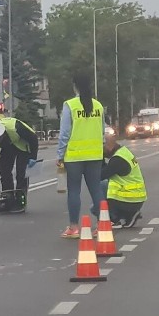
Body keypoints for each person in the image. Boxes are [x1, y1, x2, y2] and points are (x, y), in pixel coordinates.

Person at [58, 73, 105, 238]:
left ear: (75, 86)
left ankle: (74, 227)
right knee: (96, 190)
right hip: (95, 155)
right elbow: (103, 131)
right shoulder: (98, 106)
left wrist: (60, 154)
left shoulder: (70, 105)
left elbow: (64, 133)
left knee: (74, 191)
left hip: (74, 157)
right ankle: (102, 225)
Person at [0, 118, 40, 213]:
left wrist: (33, 157)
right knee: (4, 171)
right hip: (8, 146)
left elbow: (33, 139)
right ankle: (8, 199)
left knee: (21, 173)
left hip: (23, 145)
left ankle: (20, 202)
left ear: (3, 135)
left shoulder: (16, 128)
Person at [101, 134, 146, 228]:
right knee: (107, 185)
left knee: (99, 196)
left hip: (130, 198)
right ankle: (129, 215)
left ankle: (114, 219)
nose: (103, 151)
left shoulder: (117, 160)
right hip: (136, 198)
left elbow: (101, 175)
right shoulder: (123, 153)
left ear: (109, 146)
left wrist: (99, 160)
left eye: (103, 148)